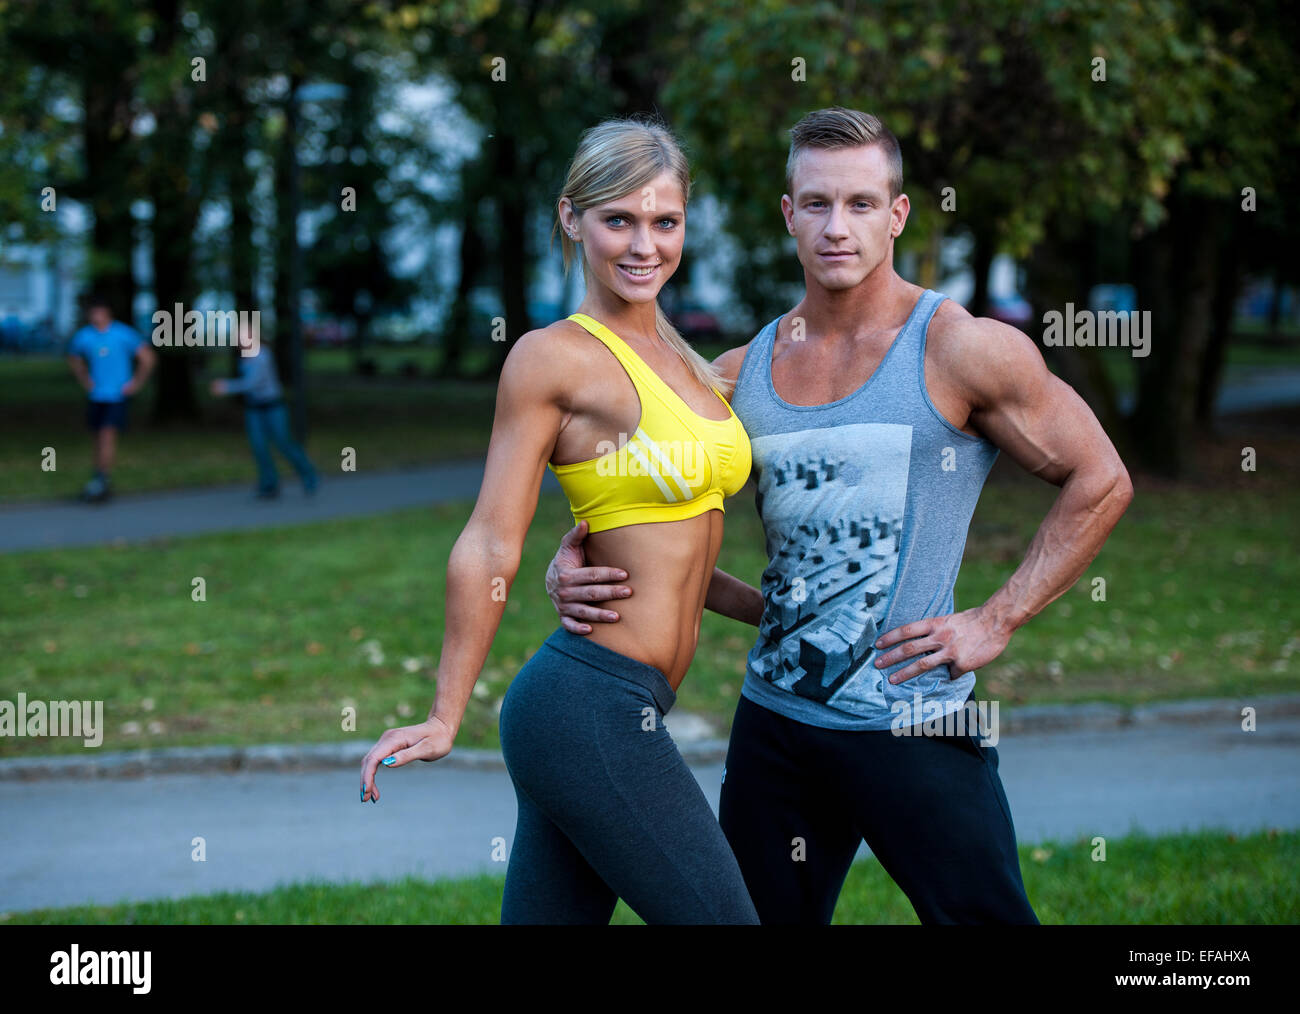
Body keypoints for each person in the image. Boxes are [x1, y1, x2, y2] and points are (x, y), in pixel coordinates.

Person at [546, 106, 1135, 925]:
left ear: (897, 216)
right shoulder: (740, 371)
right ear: (788, 214)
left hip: (915, 722)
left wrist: (998, 618)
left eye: (861, 204)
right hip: (777, 731)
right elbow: (647, 503)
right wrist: (582, 561)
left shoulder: (960, 348)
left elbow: (1101, 478)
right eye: (816, 203)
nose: (837, 227)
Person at [359, 116, 760, 925]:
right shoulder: (554, 358)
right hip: (588, 708)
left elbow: (673, 558)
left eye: (665, 221)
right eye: (619, 220)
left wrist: (774, 613)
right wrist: (445, 714)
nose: (644, 244)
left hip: (606, 706)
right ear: (572, 219)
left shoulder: (696, 367)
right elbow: (489, 536)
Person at [65, 294, 156, 502]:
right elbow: (74, 357)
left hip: (116, 396)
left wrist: (136, 383)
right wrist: (85, 380)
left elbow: (148, 357)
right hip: (97, 395)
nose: (95, 316)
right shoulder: (85, 336)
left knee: (107, 435)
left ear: (107, 313)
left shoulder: (122, 334)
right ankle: (98, 477)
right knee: (97, 437)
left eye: (98, 312)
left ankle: (102, 480)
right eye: (92, 313)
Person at [209, 327, 318, 498]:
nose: (241, 342)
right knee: (259, 447)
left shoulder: (262, 356)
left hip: (273, 407)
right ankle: (269, 484)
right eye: (239, 338)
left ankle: (309, 475)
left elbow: (253, 383)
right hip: (254, 409)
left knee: (283, 444)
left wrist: (226, 386)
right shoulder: (244, 358)